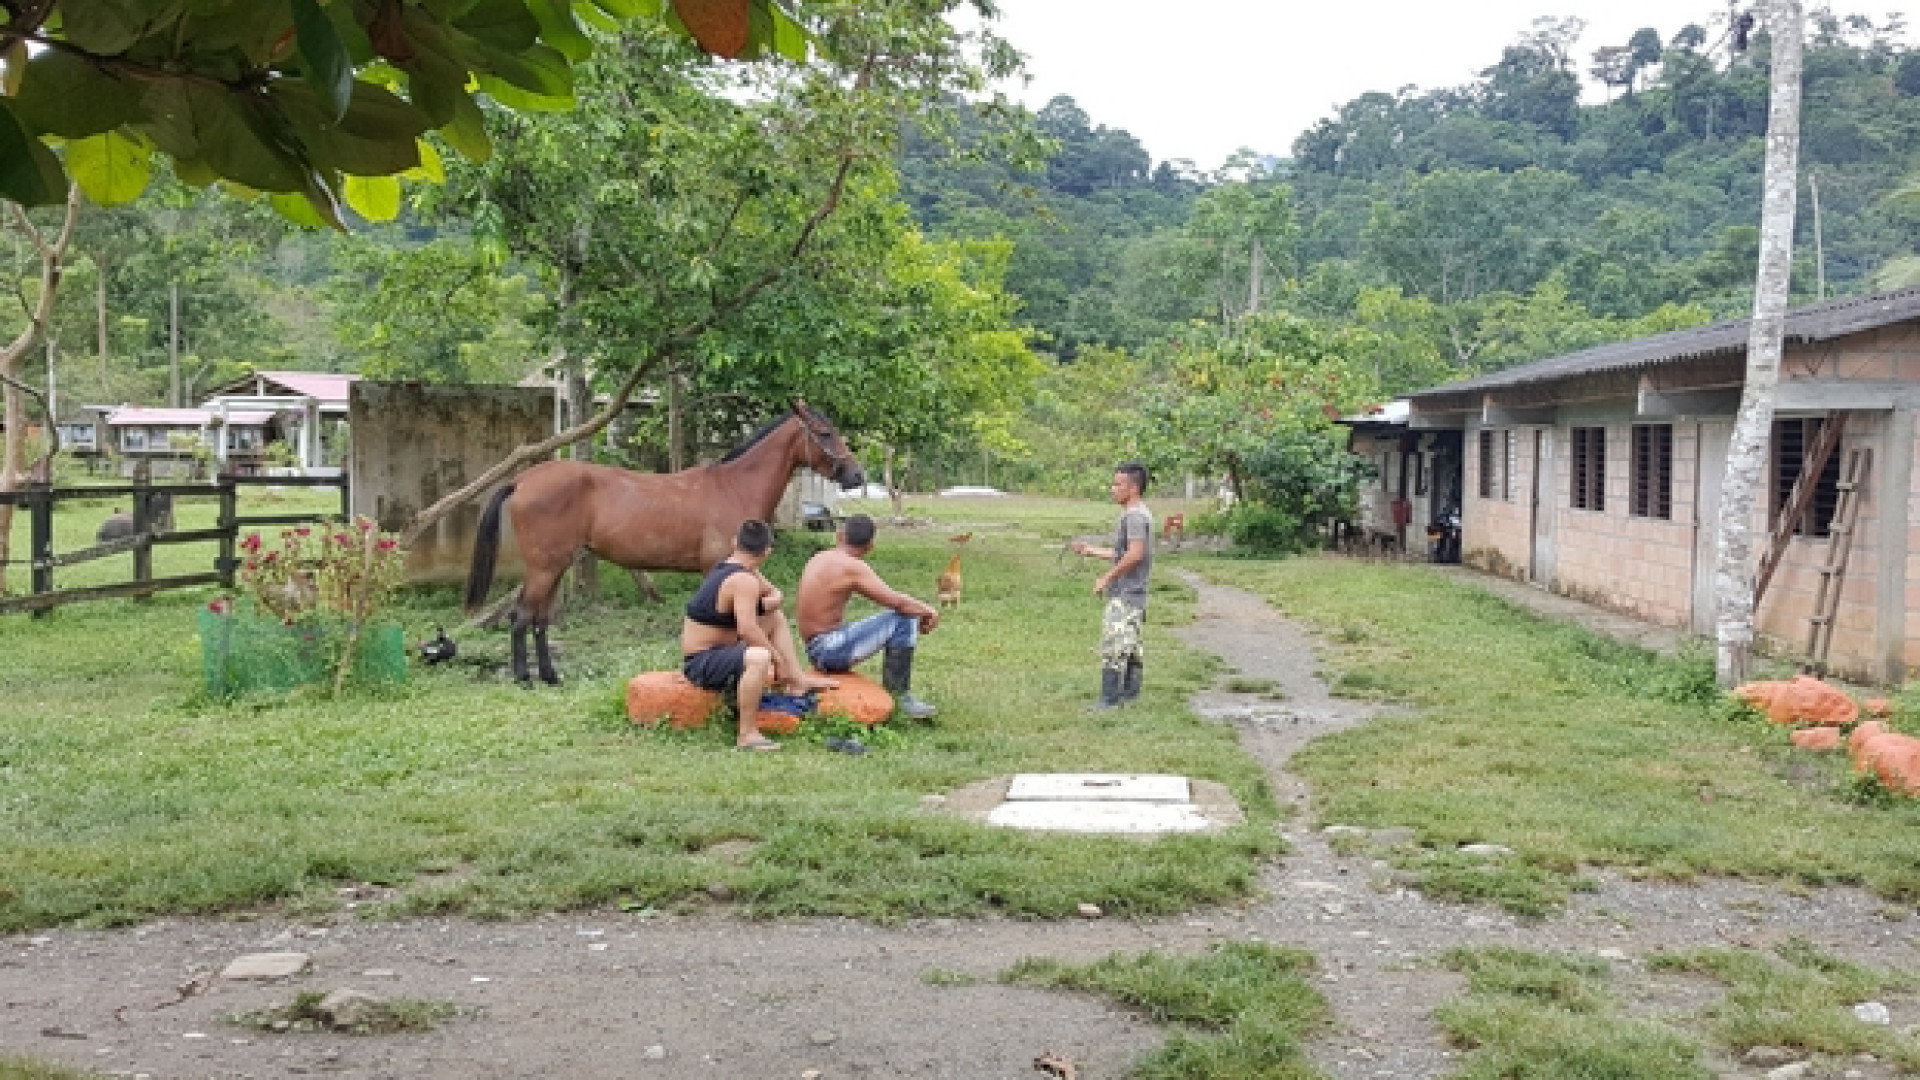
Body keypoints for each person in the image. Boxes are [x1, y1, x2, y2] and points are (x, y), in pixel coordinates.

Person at [681, 520, 835, 751]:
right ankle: (747, 734)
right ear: (767, 552)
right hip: (701, 662)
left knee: (775, 617)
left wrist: (768, 603)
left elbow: (773, 595)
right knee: (759, 657)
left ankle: (797, 680)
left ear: (735, 542)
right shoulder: (744, 581)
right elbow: (747, 629)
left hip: (721, 650)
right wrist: (777, 659)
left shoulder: (737, 569)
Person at [797, 514, 941, 719]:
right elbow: (898, 603)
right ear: (870, 546)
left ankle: (899, 697)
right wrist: (929, 611)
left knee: (905, 612)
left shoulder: (819, 557)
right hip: (827, 650)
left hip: (816, 647)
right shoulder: (852, 567)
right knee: (904, 617)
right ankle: (900, 697)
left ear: (840, 536)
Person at [1070, 462, 1153, 709]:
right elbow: (1123, 554)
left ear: (1133, 488)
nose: (1112, 489)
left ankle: (1109, 699)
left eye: (1118, 484)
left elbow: (1135, 554)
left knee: (1114, 645)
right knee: (1131, 646)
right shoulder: (1139, 513)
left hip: (1126, 593)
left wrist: (1106, 578)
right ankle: (1130, 695)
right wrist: (1089, 550)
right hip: (1135, 594)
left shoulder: (1134, 516)